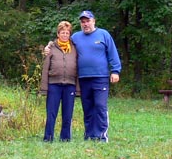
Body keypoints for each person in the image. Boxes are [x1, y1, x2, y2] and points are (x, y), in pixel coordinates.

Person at [45, 10, 121, 142]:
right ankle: (89, 135)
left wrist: (115, 71)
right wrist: (49, 46)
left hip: (100, 77)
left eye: (88, 21)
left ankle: (101, 136)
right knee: (87, 107)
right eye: (83, 22)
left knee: (100, 106)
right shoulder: (76, 37)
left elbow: (112, 53)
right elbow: (61, 43)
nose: (85, 24)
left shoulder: (103, 34)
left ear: (94, 21)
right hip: (83, 78)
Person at [40, 21, 79, 142]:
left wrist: (78, 89)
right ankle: (48, 137)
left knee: (68, 113)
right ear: (58, 34)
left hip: (70, 85)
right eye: (62, 32)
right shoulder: (51, 48)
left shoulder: (74, 48)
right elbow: (45, 68)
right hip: (54, 85)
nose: (65, 35)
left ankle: (65, 138)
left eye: (67, 33)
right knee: (51, 113)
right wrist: (44, 88)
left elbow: (78, 68)